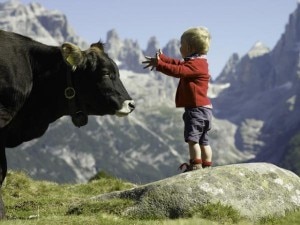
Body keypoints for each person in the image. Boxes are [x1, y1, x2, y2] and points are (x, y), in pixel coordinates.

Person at [142, 27, 213, 172]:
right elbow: (179, 64)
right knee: (204, 141)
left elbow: (179, 71)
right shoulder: (200, 62)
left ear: (189, 47)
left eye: (181, 45)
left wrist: (159, 65)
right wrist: (163, 59)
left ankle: (196, 165)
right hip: (206, 109)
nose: (179, 48)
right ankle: (207, 165)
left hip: (196, 109)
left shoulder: (195, 65)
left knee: (193, 140)